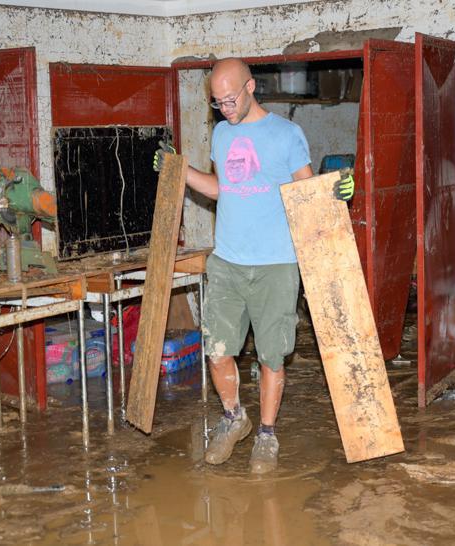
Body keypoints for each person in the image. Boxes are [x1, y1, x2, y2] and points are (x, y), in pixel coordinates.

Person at [154, 57, 354, 474]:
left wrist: (338, 191)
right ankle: (233, 419)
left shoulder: (286, 135)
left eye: (230, 100)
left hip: (276, 264)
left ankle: (266, 433)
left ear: (250, 88)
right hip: (227, 261)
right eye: (216, 103)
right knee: (218, 350)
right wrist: (181, 170)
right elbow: (221, 188)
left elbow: (305, 190)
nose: (224, 109)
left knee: (271, 356)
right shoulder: (223, 136)